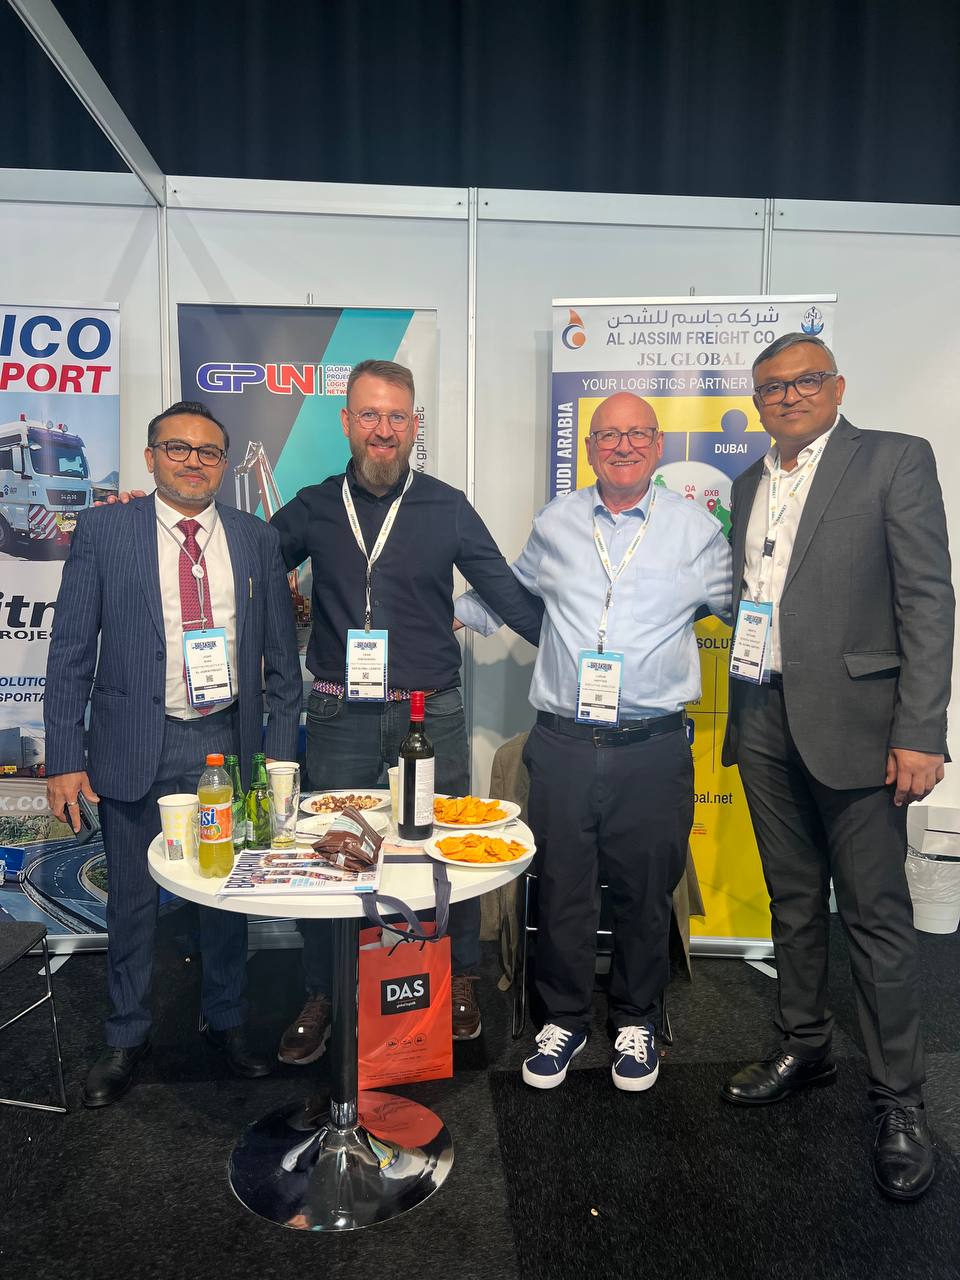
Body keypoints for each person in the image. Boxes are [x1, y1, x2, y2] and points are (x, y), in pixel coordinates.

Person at [720, 333, 953, 1202]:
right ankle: (806, 1043)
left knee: (875, 915)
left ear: (838, 386)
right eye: (771, 387)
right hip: (762, 715)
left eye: (805, 381)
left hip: (859, 725)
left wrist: (921, 729)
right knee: (791, 899)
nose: (788, 396)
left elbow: (928, 597)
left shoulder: (893, 459)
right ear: (756, 402)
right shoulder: (747, 484)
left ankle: (899, 1099)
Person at [456, 392, 731, 1091]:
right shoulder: (556, 522)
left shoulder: (697, 531)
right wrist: (431, 616)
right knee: (563, 889)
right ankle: (565, 1018)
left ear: (658, 445)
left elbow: (752, 608)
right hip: (565, 745)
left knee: (644, 891)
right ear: (589, 449)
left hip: (652, 745)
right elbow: (508, 593)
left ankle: (637, 1017)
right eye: (608, 435)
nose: (623, 446)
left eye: (637, 434)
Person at [270, 359, 542, 1063]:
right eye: (370, 415)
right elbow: (247, 557)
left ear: (415, 425)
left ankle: (457, 978)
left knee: (442, 853)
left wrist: (581, 647)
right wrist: (175, 520)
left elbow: (508, 596)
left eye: (397, 416)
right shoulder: (315, 505)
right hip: (339, 715)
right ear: (347, 422)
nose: (383, 430)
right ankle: (325, 990)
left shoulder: (446, 506)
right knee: (332, 856)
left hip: (430, 713)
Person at [45, 401, 302, 1107]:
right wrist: (64, 757)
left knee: (226, 893)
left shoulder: (254, 539)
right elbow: (70, 651)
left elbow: (283, 665)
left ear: (224, 463)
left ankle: (227, 1018)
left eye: (208, 452)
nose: (193, 462)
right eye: (178, 448)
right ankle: (126, 1035)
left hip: (226, 743)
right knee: (131, 899)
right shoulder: (105, 531)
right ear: (152, 456)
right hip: (135, 741)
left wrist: (279, 768)